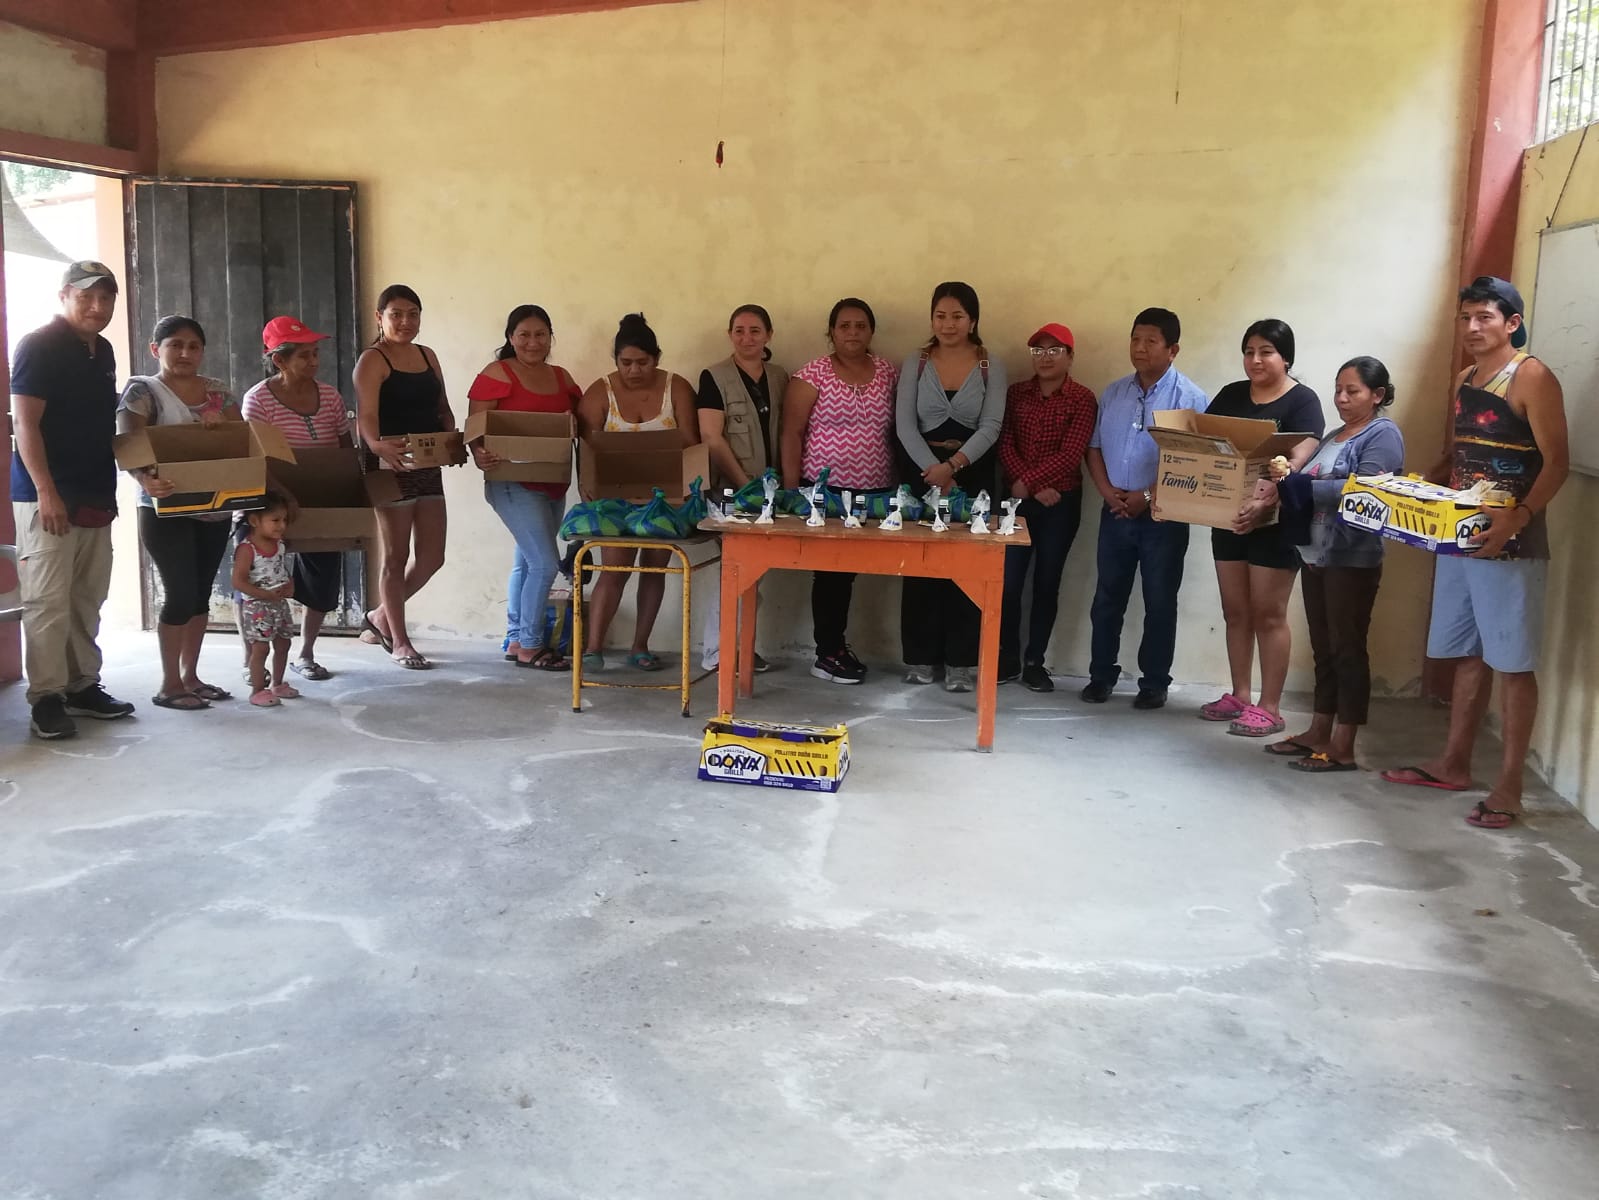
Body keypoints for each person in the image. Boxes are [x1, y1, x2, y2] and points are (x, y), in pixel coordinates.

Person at [1382, 277, 1569, 829]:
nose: (1471, 327)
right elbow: (1461, 451)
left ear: (1512, 323)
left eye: (1484, 317)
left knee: (1512, 664)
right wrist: (1420, 482)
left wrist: (1518, 517)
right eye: (1465, 317)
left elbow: (1558, 462)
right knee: (1467, 653)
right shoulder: (1465, 378)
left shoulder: (1531, 377)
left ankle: (1510, 787)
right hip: (1458, 538)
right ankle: (1453, 763)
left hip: (1511, 545)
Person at [10, 260, 137, 739]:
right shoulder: (38, 345)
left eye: (106, 298)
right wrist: (46, 491)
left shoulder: (102, 351)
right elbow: (25, 424)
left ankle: (82, 685)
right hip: (48, 496)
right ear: (63, 296)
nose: (97, 306)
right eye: (86, 296)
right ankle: (46, 697)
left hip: (95, 492)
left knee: (87, 596)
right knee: (47, 601)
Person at [1260, 357, 1405, 771]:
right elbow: (1307, 476)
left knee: (1347, 649)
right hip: (1316, 554)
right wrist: (1287, 476)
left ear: (1377, 395)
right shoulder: (1333, 436)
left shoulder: (1383, 435)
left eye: (1352, 391)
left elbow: (1366, 490)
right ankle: (1318, 730)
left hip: (1351, 557)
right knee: (1324, 648)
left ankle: (1344, 744)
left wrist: (1303, 485)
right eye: (1338, 389)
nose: (1341, 398)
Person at [1200, 320, 1324, 736]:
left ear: (1286, 357)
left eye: (1266, 352)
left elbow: (1300, 457)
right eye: (1249, 351)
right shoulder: (1231, 395)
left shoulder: (1303, 401)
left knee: (1269, 614)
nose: (1255, 360)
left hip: (1275, 523)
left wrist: (1268, 497)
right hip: (1229, 518)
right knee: (1235, 611)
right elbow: (1204, 448)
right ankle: (1239, 694)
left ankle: (1270, 707)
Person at [1080, 307, 1209, 709]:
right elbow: (1094, 447)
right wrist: (1107, 492)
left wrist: (1147, 496)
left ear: (1173, 350)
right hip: (1115, 510)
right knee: (1107, 599)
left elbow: (1194, 464)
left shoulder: (1190, 399)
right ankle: (1100, 676)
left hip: (1163, 517)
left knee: (1160, 602)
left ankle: (1154, 682)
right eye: (1135, 339)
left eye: (1151, 341)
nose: (1140, 348)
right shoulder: (1114, 392)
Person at [117, 315, 240, 711]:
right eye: (175, 345)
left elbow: (241, 441)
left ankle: (191, 677)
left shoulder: (218, 392)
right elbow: (128, 442)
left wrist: (221, 429)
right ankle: (169, 684)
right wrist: (144, 478)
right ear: (156, 349)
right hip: (164, 508)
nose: (185, 353)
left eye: (193, 346)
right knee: (181, 592)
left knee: (201, 593)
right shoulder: (142, 391)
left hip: (214, 507)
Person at [895, 282, 1007, 693]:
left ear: (972, 320)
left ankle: (961, 661)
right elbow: (904, 424)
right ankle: (920, 657)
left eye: (957, 316)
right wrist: (934, 471)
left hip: (972, 473)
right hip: (921, 472)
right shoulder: (917, 362)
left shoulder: (990, 365)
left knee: (966, 566)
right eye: (940, 316)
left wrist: (954, 467)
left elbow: (991, 425)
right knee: (921, 565)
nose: (948, 324)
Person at [780, 297, 898, 685]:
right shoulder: (811, 375)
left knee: (853, 574)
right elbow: (792, 433)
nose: (852, 332)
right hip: (826, 491)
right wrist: (793, 491)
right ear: (831, 331)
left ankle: (837, 647)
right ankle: (827, 653)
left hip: (875, 493)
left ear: (871, 331)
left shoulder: (887, 372)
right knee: (831, 574)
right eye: (844, 326)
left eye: (860, 326)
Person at [575, 313, 700, 671]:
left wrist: (690, 492)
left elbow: (693, 443)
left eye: (643, 362)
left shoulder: (677, 388)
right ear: (615, 360)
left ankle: (640, 646)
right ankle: (593, 648)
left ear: (657, 358)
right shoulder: (600, 392)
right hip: (615, 497)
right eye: (626, 362)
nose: (634, 370)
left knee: (654, 568)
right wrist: (588, 488)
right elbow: (586, 449)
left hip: (665, 495)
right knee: (614, 568)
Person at [467, 304, 582, 671]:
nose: (533, 342)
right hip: (511, 481)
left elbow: (581, 419)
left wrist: (574, 422)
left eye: (540, 335)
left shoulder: (562, 378)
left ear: (550, 337)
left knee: (526, 561)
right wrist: (478, 453)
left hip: (553, 480)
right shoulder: (497, 374)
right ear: (510, 337)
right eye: (524, 335)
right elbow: (475, 426)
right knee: (545, 563)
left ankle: (517, 638)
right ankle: (532, 646)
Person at [242, 315, 355, 681]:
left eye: (315, 353)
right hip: (267, 498)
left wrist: (348, 491)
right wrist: (282, 495)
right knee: (258, 576)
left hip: (319, 497)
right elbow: (255, 458)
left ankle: (305, 653)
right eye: (304, 355)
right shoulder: (258, 400)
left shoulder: (331, 396)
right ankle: (253, 661)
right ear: (279, 360)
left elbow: (344, 449)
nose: (314, 361)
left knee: (321, 578)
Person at [353, 284, 456, 670]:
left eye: (413, 314)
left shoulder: (427, 355)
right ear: (380, 317)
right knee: (396, 557)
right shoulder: (372, 359)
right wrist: (376, 445)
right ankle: (399, 641)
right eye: (396, 314)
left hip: (427, 462)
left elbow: (442, 407)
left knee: (432, 557)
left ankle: (380, 616)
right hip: (389, 464)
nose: (405, 321)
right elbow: (366, 414)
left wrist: (450, 437)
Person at [996, 322, 1098, 692]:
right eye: (1038, 350)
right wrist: (1029, 485)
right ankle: (1007, 657)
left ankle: (1034, 662)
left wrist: (1030, 484)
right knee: (1008, 583)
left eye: (1054, 350)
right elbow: (1004, 442)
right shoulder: (1016, 394)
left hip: (1060, 504)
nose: (1045, 357)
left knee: (1046, 582)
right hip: (1017, 500)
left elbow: (1072, 453)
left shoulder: (1082, 399)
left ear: (1070, 357)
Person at [696, 303, 787, 673]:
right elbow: (712, 437)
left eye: (754, 331)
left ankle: (742, 648)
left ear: (768, 335)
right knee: (733, 571)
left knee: (755, 572)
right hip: (731, 493)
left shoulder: (779, 377)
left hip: (771, 491)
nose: (746, 338)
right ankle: (718, 653)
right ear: (729, 334)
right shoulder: (714, 377)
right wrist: (745, 484)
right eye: (739, 330)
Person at [231, 492, 299, 708]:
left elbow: (281, 569)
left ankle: (278, 684)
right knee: (261, 649)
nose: (282, 525)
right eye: (275, 520)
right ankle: (258, 690)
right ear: (254, 521)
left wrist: (290, 585)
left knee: (283, 643)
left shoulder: (280, 544)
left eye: (284, 520)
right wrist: (263, 595)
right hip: (257, 608)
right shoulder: (247, 549)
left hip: (279, 605)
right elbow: (238, 581)